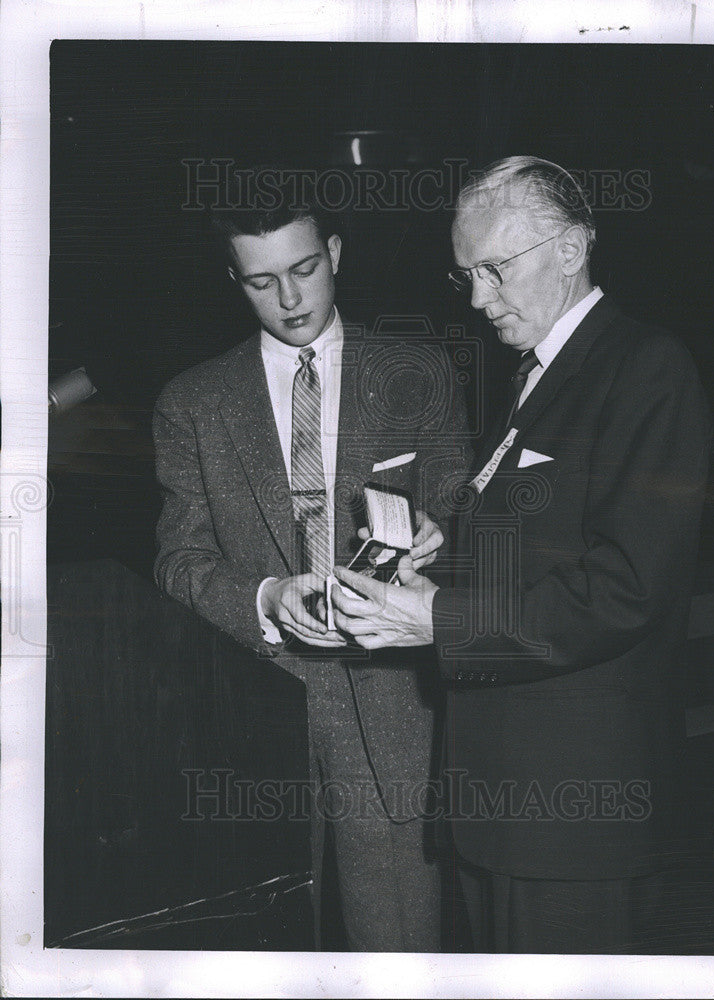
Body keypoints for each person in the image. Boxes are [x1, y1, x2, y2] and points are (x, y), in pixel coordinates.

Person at [331, 156, 712, 953]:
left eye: (495, 270)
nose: (477, 299)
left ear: (571, 248)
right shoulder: (534, 376)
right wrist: (442, 554)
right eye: (464, 274)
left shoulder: (646, 369)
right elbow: (542, 552)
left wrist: (439, 617)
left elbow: (625, 589)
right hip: (498, 803)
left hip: (571, 818)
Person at [152, 193, 470, 951]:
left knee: (395, 948)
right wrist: (264, 596)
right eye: (262, 282)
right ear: (234, 279)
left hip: (392, 709)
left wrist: (442, 536)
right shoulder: (190, 403)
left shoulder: (415, 372)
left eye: (303, 269)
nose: (290, 298)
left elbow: (466, 517)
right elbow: (177, 560)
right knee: (259, 943)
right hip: (251, 709)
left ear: (335, 252)